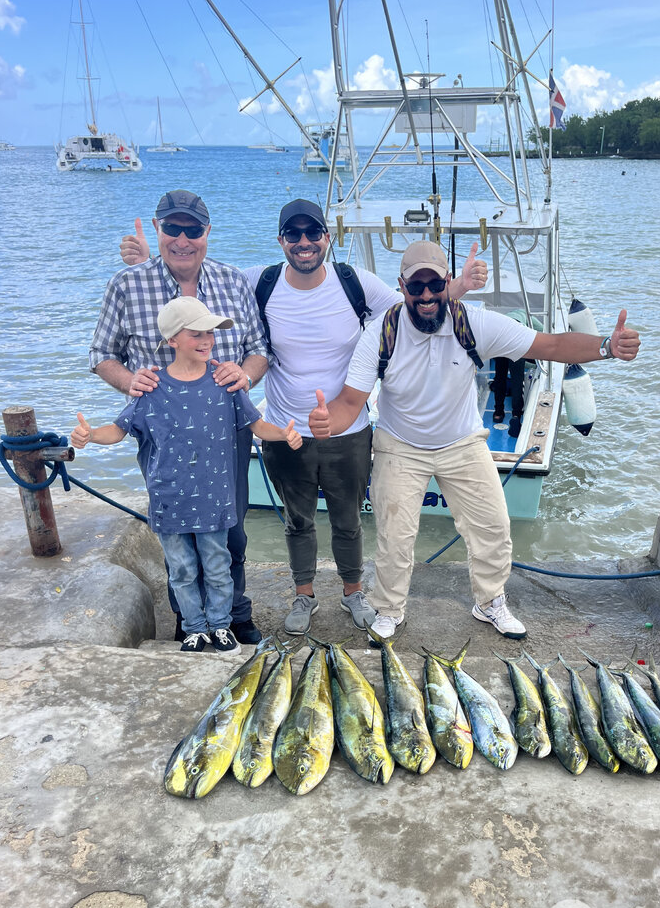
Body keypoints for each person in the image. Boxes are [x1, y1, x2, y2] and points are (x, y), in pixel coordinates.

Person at [118, 197, 488, 638]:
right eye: (293, 234)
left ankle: (353, 592)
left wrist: (458, 287)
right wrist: (149, 262)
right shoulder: (259, 281)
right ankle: (304, 595)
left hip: (348, 429)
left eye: (313, 232)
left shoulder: (355, 282)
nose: (304, 241)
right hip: (284, 429)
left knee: (349, 521)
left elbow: (414, 306)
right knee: (298, 522)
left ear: (327, 238)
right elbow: (195, 298)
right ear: (281, 241)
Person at [309, 240, 641, 642]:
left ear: (447, 283)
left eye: (435, 285)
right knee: (394, 538)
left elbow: (550, 345)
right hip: (400, 445)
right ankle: (389, 608)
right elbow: (349, 402)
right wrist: (327, 423)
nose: (426, 295)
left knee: (494, 528)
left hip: (462, 442)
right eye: (416, 287)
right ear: (401, 286)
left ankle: (489, 601)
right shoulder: (381, 332)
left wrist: (607, 347)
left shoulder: (475, 324)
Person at [74, 298, 300, 654]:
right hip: (169, 499)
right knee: (181, 569)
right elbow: (119, 429)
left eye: (210, 332)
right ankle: (194, 628)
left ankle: (221, 626)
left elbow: (256, 425)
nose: (207, 339)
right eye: (196, 333)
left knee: (218, 565)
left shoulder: (225, 384)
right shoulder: (151, 389)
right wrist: (89, 436)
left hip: (215, 498)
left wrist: (285, 434)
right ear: (172, 340)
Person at [92, 190, 269, 645]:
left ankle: (233, 613)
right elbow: (101, 355)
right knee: (177, 531)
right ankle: (188, 620)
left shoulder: (233, 282)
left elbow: (259, 350)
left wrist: (245, 376)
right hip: (163, 433)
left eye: (193, 230)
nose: (183, 239)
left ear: (207, 232)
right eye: (173, 228)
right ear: (158, 229)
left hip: (223, 426)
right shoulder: (127, 284)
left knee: (230, 528)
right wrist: (132, 383)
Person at [491, 356, 526, 437]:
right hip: (517, 349)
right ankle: (516, 415)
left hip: (501, 348)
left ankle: (498, 412)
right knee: (517, 380)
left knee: (500, 376)